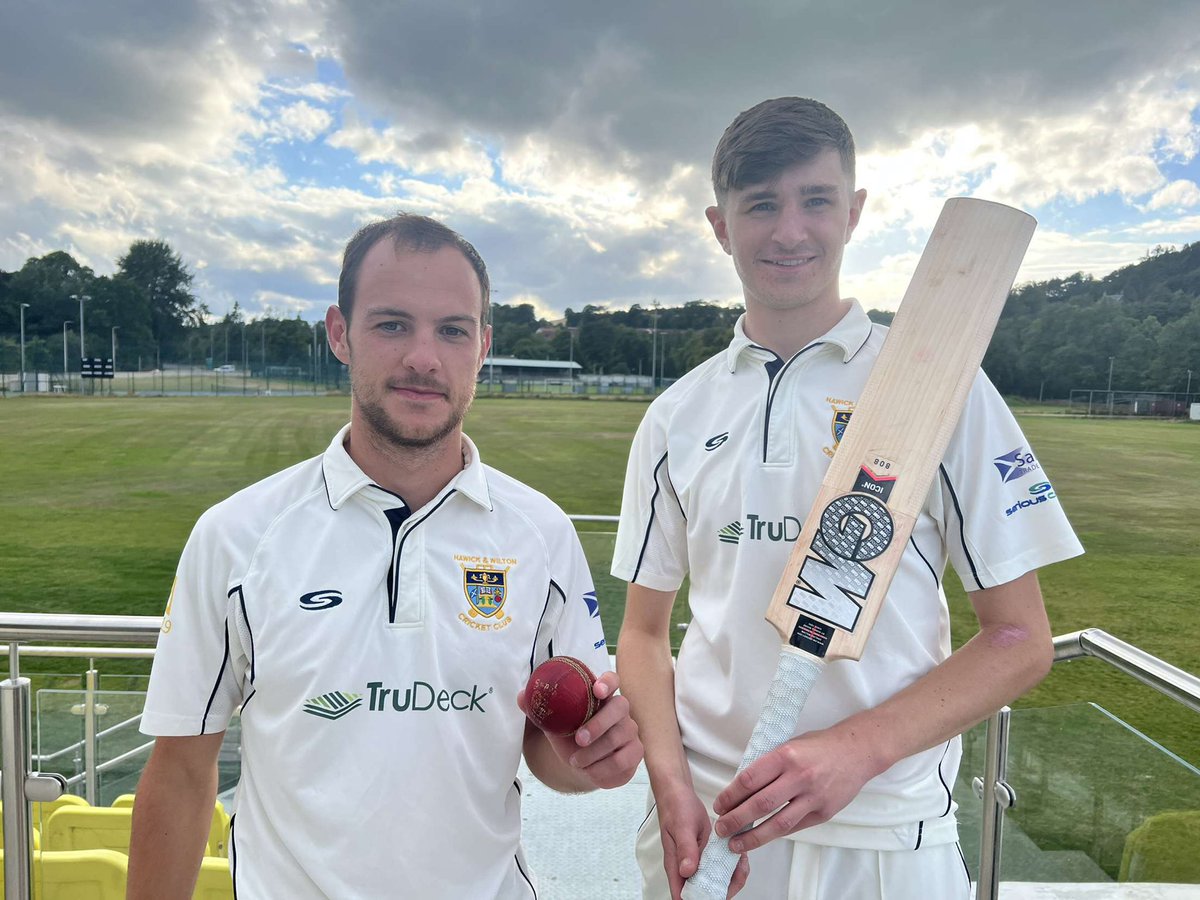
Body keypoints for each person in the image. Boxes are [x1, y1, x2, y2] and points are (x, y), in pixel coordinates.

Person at [612, 97, 1083, 900]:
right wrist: (669, 782)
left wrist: (858, 748)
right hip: (714, 831)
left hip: (884, 835)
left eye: (816, 200)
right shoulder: (676, 416)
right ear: (720, 226)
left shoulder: (943, 387)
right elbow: (644, 634)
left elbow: (1020, 638)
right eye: (760, 204)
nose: (790, 230)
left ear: (854, 212)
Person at [128, 213, 643, 899]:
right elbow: (182, 773)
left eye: (452, 330)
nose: (424, 358)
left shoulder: (542, 535)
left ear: (482, 345)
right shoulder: (235, 537)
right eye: (393, 324)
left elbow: (544, 749)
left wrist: (592, 761)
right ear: (340, 333)